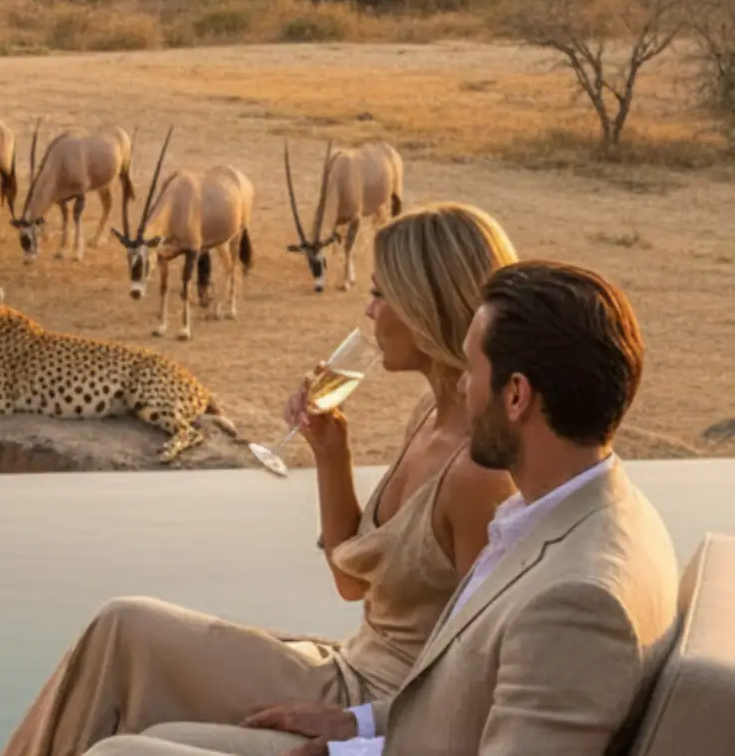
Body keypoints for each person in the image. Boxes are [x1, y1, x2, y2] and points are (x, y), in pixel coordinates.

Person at [88, 259, 681, 756]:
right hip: (389, 731)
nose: (463, 389)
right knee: (150, 719)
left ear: (517, 395)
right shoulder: (580, 515)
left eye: (472, 370)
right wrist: (357, 727)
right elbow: (461, 686)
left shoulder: (576, 601)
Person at [0, 204, 520, 756]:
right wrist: (329, 451)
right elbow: (352, 584)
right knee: (122, 626)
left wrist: (360, 729)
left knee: (135, 733)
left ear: (425, 306)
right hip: (347, 665)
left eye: (380, 294)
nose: (368, 311)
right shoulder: (427, 414)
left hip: (382, 703)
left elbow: (474, 671)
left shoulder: (478, 473)